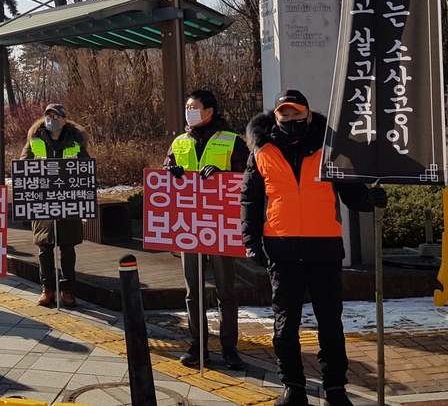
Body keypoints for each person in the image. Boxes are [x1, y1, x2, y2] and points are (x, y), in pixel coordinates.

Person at [242, 89, 387, 406]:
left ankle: (335, 388)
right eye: (284, 114)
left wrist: (369, 200)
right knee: (285, 325)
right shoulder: (262, 152)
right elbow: (250, 202)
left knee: (331, 324)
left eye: (296, 113)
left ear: (308, 115)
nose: (290, 119)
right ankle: (293, 387)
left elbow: (352, 193)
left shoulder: (330, 150)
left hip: (324, 249)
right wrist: (251, 241)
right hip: (281, 249)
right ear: (276, 117)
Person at [163, 89, 250, 370]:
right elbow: (164, 177)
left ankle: (229, 348)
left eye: (194, 106)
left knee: (226, 290)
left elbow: (250, 178)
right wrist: (171, 173)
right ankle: (197, 346)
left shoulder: (232, 141)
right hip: (190, 227)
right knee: (193, 290)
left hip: (221, 226)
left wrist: (223, 177)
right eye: (187, 106)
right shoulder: (179, 143)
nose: (189, 110)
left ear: (210, 111)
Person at [22, 103, 87, 309]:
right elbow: (23, 167)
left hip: (68, 199)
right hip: (43, 198)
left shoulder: (75, 143)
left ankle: (67, 290)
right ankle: (47, 288)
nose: (52, 119)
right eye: (48, 115)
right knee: (45, 247)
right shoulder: (35, 142)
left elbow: (86, 170)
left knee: (68, 248)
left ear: (65, 119)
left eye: (57, 116)